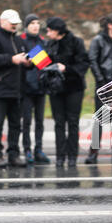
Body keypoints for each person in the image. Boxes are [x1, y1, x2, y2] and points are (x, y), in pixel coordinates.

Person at [0, 9, 30, 168]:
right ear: (2, 21)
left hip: (16, 89)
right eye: (12, 23)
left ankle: (13, 154)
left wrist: (28, 63)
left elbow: (26, 58)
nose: (15, 26)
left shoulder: (19, 40)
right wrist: (11, 59)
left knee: (16, 124)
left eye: (16, 23)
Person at [45, 17, 90, 168]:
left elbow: (83, 64)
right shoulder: (49, 43)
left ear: (58, 31)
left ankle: (72, 156)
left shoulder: (76, 42)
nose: (47, 32)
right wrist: (34, 58)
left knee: (72, 122)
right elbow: (44, 63)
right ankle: (59, 156)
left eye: (50, 29)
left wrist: (66, 68)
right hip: (55, 88)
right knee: (58, 123)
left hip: (74, 87)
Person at [85, 13, 112, 165]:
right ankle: (93, 151)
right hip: (103, 86)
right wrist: (101, 81)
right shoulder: (98, 40)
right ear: (110, 25)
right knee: (99, 119)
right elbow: (93, 60)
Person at [20, 14, 50, 165]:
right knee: (26, 121)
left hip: (40, 87)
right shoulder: (21, 40)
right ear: (26, 25)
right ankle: (27, 149)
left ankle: (38, 149)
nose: (35, 26)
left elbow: (44, 63)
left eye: (37, 23)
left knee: (40, 121)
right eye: (32, 23)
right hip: (25, 87)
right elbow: (22, 63)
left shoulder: (43, 42)